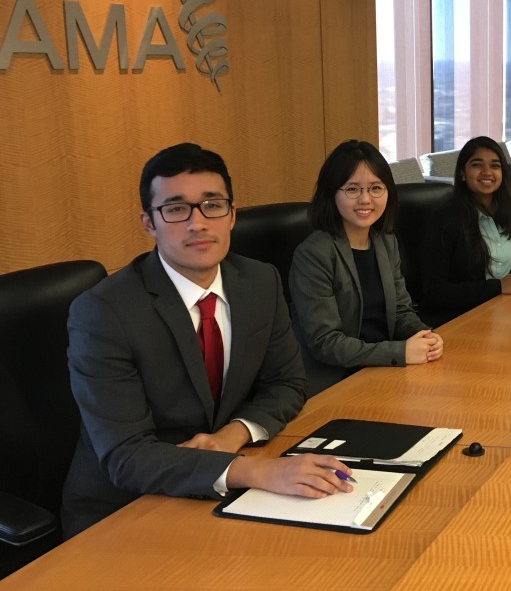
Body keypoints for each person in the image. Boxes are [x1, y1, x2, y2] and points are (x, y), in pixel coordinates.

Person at [62, 143, 352, 537]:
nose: (198, 223)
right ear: (148, 222)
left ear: (231, 215)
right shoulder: (103, 312)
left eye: (212, 205)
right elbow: (126, 455)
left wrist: (232, 436)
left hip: (221, 492)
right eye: (176, 209)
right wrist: (253, 470)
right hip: (127, 509)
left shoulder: (259, 281)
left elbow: (287, 383)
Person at [289, 139, 443, 395]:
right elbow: (325, 343)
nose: (365, 199)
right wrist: (400, 352)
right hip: (333, 383)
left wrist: (424, 335)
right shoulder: (314, 254)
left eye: (375, 188)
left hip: (382, 371)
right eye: (352, 189)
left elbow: (402, 311)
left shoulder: (386, 242)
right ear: (332, 193)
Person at [420, 136, 511, 320]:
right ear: (462, 173)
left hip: (503, 311)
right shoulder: (445, 220)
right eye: (477, 165)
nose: (487, 172)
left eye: (495, 165)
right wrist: (498, 287)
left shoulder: (510, 211)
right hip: (462, 319)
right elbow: (434, 292)